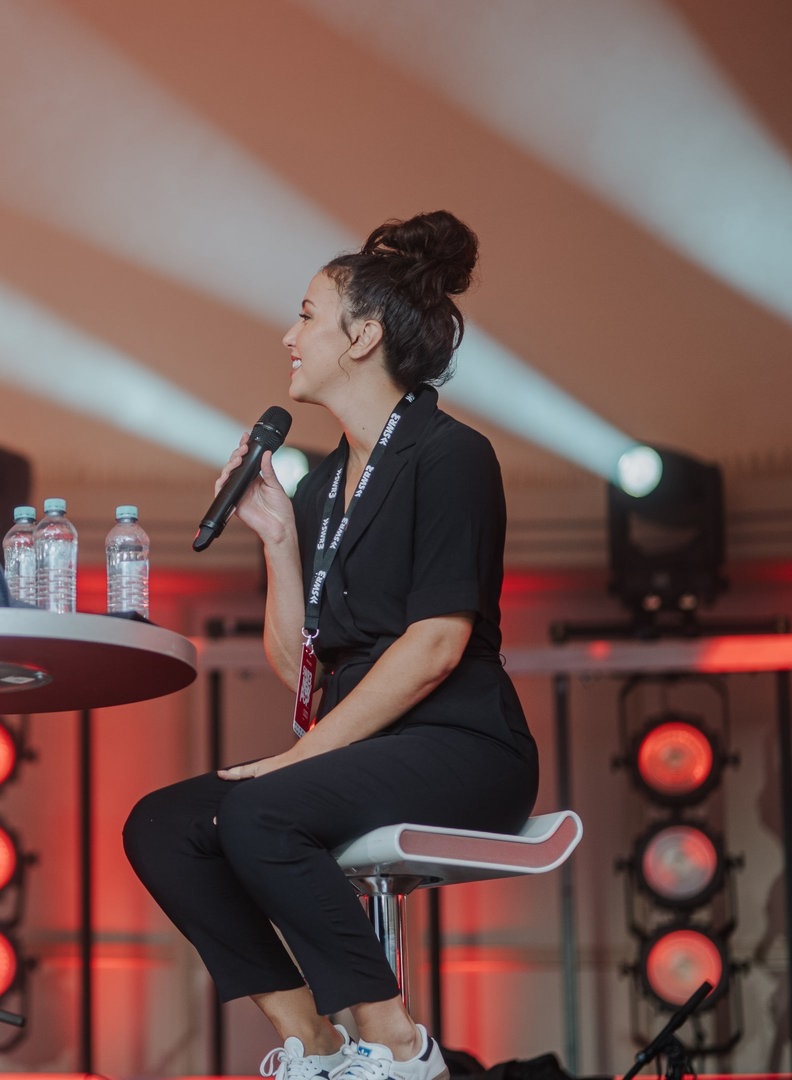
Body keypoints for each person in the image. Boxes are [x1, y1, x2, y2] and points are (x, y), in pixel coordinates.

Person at [124, 212, 537, 1080]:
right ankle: (309, 1039)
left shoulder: (451, 456)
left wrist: (297, 760)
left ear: (364, 335)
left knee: (261, 808)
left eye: (307, 315)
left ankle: (398, 1043)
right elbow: (298, 668)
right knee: (162, 824)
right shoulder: (321, 488)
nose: (289, 335)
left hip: (462, 745)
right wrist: (278, 540)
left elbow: (435, 645)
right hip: (358, 742)